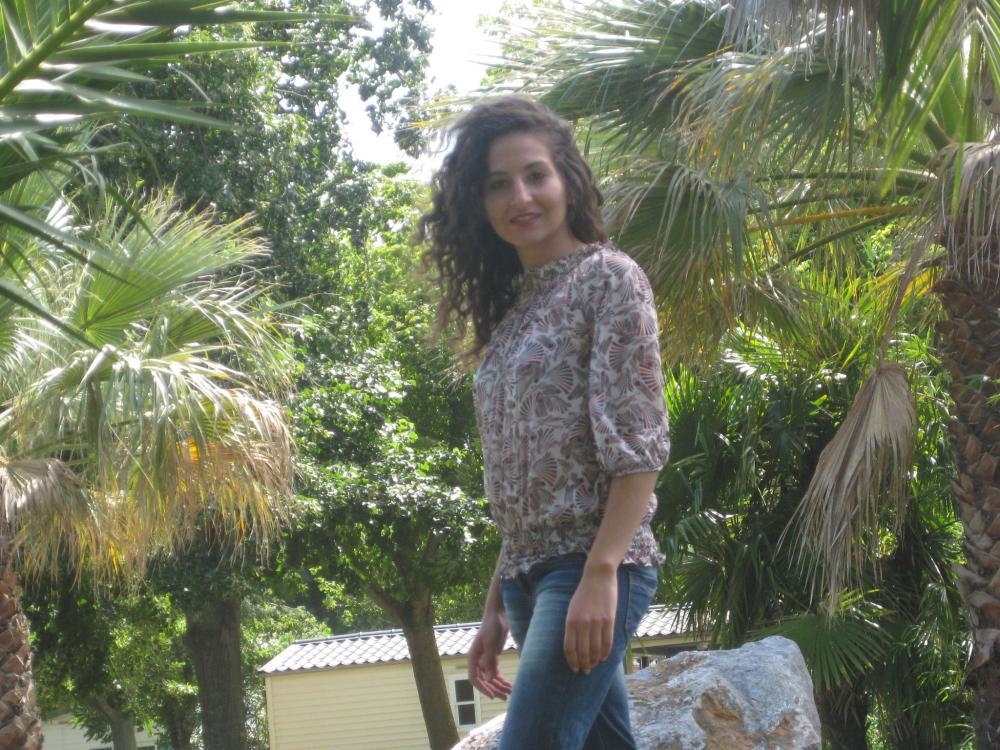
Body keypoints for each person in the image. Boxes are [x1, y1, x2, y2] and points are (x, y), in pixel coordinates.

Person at [419, 96, 669, 750]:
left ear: (568, 181)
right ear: (478, 203)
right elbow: (526, 474)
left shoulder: (608, 279)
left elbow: (639, 445)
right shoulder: (512, 319)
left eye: (536, 175)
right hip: (527, 577)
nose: (520, 197)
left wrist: (601, 572)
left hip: (589, 564)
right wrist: (494, 604)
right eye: (497, 184)